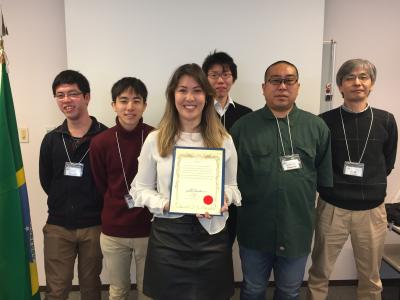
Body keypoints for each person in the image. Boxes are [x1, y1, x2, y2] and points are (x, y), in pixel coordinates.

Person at [131, 63, 242, 300]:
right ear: (172, 95)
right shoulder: (156, 139)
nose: (189, 97)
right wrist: (166, 204)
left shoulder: (223, 139)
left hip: (211, 237)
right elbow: (139, 190)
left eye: (197, 90)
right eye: (182, 90)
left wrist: (224, 198)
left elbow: (233, 188)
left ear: (207, 96)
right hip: (169, 237)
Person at [230, 60, 333, 300]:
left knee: (289, 291)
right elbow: (228, 181)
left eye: (289, 80)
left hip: (296, 229)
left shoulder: (316, 127)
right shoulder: (242, 128)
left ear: (298, 86)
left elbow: (324, 179)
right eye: (275, 80)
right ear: (264, 87)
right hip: (255, 229)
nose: (282, 86)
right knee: (253, 289)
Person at [307, 59, 398, 300]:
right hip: (332, 209)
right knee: (319, 271)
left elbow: (386, 164)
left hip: (372, 211)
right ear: (340, 86)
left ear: (372, 84)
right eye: (349, 78)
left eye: (363, 77)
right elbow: (318, 163)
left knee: (370, 277)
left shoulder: (386, 120)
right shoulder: (324, 121)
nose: (357, 82)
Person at [39, 70, 107, 300]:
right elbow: (46, 180)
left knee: (90, 289)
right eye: (60, 95)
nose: (66, 100)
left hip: (94, 225)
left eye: (72, 94)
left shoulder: (105, 137)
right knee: (56, 290)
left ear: (86, 97)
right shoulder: (51, 140)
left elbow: (109, 181)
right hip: (58, 226)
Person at [89, 77, 153, 300]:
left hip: (149, 228)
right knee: (118, 291)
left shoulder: (157, 137)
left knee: (149, 291)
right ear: (113, 105)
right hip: (114, 230)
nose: (130, 107)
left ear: (145, 105)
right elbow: (100, 183)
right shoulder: (100, 142)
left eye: (136, 100)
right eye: (123, 100)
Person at [202, 50, 252, 246]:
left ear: (233, 78)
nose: (220, 80)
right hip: (202, 189)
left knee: (226, 245)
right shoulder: (198, 111)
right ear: (205, 78)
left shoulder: (246, 114)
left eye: (226, 74)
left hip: (233, 191)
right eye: (214, 75)